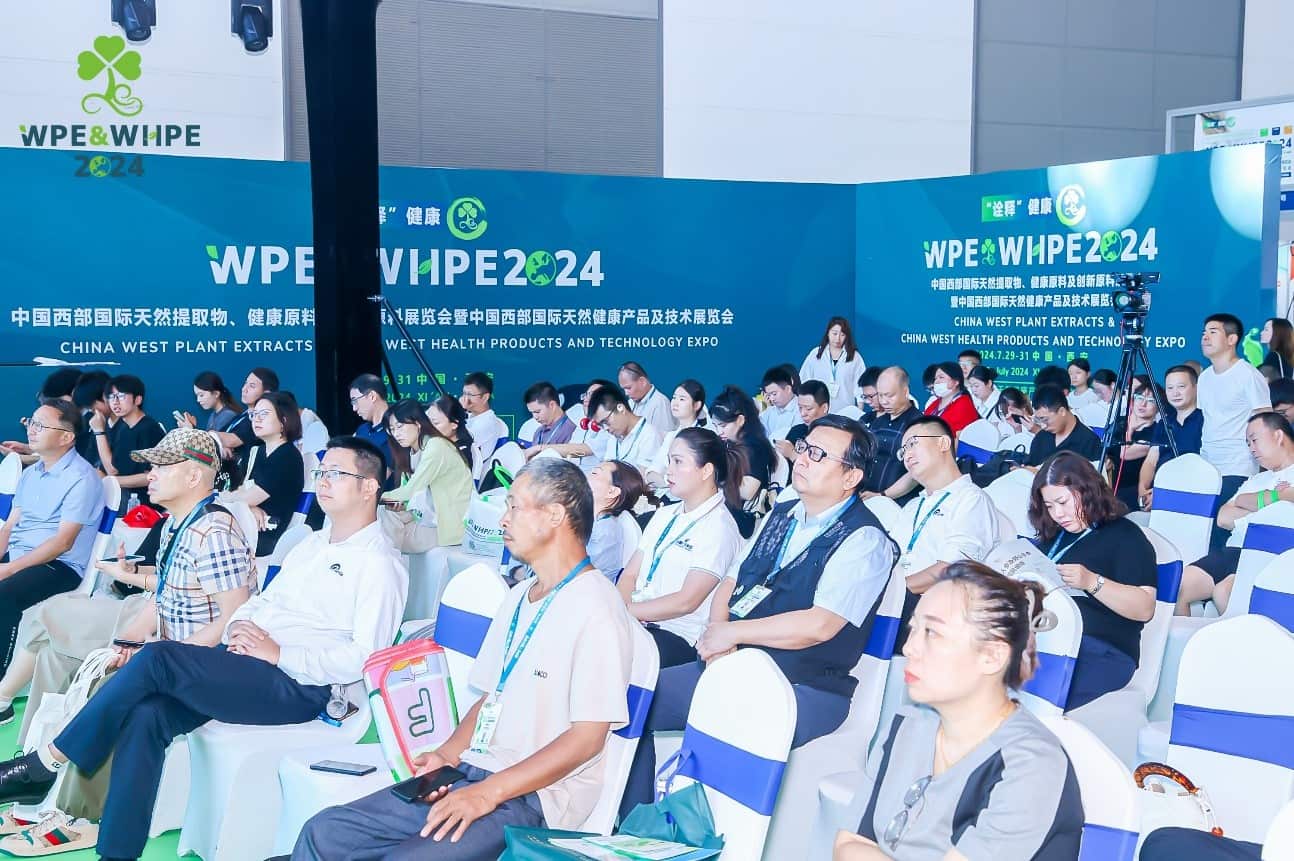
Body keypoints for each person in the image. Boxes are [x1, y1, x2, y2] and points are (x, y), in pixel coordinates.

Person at [0, 437, 407, 861]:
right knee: (147, 715)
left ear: (369, 487)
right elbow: (260, 603)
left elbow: (366, 658)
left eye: (336, 474)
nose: (323, 481)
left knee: (157, 658)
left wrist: (279, 653)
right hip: (251, 665)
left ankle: (45, 764)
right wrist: (243, 624)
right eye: (321, 472)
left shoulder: (381, 563)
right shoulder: (313, 545)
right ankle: (116, 854)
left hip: (303, 686)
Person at [288, 458, 631, 861]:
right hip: (473, 772)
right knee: (326, 832)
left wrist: (488, 792)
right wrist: (447, 755)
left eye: (515, 507)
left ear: (555, 515)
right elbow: (490, 697)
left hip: (537, 797)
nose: (503, 519)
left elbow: (587, 738)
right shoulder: (520, 597)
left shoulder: (597, 607)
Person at [620, 415, 896, 819]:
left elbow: (820, 625)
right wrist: (719, 633)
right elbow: (731, 582)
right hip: (733, 663)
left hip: (803, 685)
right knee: (629, 700)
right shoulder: (781, 514)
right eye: (804, 448)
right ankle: (639, 827)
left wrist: (732, 633)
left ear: (851, 476)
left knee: (732, 715)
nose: (803, 458)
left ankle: (707, 835)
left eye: (819, 455)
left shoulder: (865, 540)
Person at [0, 430, 257, 846]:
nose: (150, 475)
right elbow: (166, 594)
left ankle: (79, 816)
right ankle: (34, 792)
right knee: (60, 658)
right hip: (172, 655)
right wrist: (126, 640)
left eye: (161, 467)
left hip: (202, 664)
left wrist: (159, 656)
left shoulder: (215, 531)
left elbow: (234, 619)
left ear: (194, 476)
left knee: (110, 685)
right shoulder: (179, 524)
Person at [834, 562, 1082, 861]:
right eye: (913, 628)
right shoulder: (907, 724)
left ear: (992, 656)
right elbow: (848, 844)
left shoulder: (1031, 763)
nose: (910, 647)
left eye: (932, 633)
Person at [1029, 452, 1157, 708]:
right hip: (1046, 639)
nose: (1058, 514)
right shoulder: (1052, 537)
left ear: (1086, 491)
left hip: (1102, 650)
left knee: (1032, 693)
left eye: (1063, 502)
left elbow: (1145, 608)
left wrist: (1091, 582)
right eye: (1050, 506)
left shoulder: (1125, 536)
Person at [618, 428, 742, 668]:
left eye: (678, 461)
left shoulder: (719, 528)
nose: (669, 471)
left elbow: (686, 602)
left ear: (706, 470)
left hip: (677, 634)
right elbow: (630, 574)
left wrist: (626, 611)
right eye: (669, 461)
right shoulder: (664, 514)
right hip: (635, 619)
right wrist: (621, 611)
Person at [0, 401, 104, 676]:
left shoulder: (82, 478)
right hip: (21, 555)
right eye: (31, 422)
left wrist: (8, 569)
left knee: (3, 595)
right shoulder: (31, 473)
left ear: (66, 437)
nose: (31, 429)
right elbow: (9, 527)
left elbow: (62, 543)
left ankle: (2, 682)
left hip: (59, 565)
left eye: (40, 425)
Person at [892, 417, 1001, 639]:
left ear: (943, 443)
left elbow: (952, 569)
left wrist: (889, 592)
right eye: (903, 451)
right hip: (897, 606)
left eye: (913, 444)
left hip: (935, 612)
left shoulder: (971, 500)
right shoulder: (912, 506)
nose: (907, 455)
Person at [1176, 413, 1294, 615]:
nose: (1251, 448)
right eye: (1248, 443)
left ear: (1278, 436)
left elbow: (1287, 500)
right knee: (1180, 587)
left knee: (1224, 593)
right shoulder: (1255, 480)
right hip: (1233, 551)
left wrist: (1248, 503)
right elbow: (1223, 518)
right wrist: (1269, 500)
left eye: (1254, 440)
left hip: (1270, 554)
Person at [1198, 314, 1272, 524]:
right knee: (1202, 526)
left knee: (1221, 525)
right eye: (1204, 333)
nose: (1205, 337)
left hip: (1238, 466)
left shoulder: (1248, 375)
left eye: (1213, 332)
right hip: (1207, 465)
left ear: (1232, 339)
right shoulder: (1204, 377)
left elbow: (1265, 420)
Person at [381, 399, 474, 547]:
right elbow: (411, 496)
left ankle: (386, 558)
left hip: (448, 527)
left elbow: (411, 490)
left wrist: (373, 498)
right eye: (392, 429)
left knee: (385, 530)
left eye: (400, 426)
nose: (396, 434)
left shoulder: (436, 446)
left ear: (418, 423)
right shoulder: (412, 451)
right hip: (427, 517)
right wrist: (399, 504)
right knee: (385, 515)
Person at [224, 391, 305, 557]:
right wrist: (249, 507)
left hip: (264, 535)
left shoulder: (287, 456)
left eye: (264, 414)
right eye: (254, 414)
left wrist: (245, 502)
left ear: (284, 421)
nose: (256, 419)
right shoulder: (256, 452)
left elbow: (244, 497)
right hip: (244, 525)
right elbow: (235, 492)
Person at [91, 375, 166, 510]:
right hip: (124, 500)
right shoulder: (123, 426)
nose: (115, 402)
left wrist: (99, 432)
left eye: (121, 396)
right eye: (111, 397)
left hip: (145, 505)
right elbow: (113, 468)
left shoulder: (149, 429)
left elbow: (151, 475)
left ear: (137, 400)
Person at [1139, 365, 1203, 508]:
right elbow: (1151, 460)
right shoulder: (1164, 423)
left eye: (1181, 386)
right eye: (1170, 388)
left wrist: (1164, 494)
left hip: (1188, 496)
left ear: (1196, 388)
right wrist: (1142, 489)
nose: (1175, 393)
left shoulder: (1205, 421)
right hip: (1156, 492)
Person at [583, 460, 652, 580]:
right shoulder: (590, 520)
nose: (585, 475)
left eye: (594, 473)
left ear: (612, 492)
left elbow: (582, 574)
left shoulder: (606, 531)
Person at [212, 367, 279, 488]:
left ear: (266, 393)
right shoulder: (242, 415)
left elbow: (230, 440)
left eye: (252, 386)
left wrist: (218, 440)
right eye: (245, 383)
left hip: (241, 483)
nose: (244, 389)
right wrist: (221, 444)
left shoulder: (258, 421)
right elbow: (221, 438)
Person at [710, 385, 776, 501]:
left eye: (723, 425)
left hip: (745, 509)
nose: (719, 431)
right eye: (715, 426)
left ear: (740, 420)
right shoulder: (726, 443)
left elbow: (747, 492)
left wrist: (716, 476)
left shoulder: (756, 448)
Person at [1107, 375, 1161, 510]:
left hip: (1131, 489)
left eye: (1150, 400)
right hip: (1107, 484)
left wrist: (1130, 429)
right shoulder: (1120, 421)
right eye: (1139, 398)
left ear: (1159, 407)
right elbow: (1105, 447)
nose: (1143, 404)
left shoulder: (1155, 432)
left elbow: (1125, 453)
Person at [644, 380, 706, 488]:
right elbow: (652, 472)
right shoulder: (671, 436)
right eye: (674, 398)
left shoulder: (703, 437)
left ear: (696, 405)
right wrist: (666, 483)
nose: (675, 403)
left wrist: (666, 481)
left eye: (682, 399)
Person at [1023, 385, 1102, 469]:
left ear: (1062, 411)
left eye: (1045, 419)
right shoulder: (1041, 438)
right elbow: (1030, 467)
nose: (1043, 426)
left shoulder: (1089, 441)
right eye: (1039, 420)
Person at [800, 316, 867, 412]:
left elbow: (860, 386)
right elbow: (804, 380)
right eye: (834, 333)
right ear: (828, 333)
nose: (837, 338)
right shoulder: (816, 354)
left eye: (842, 335)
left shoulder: (855, 357)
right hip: (819, 411)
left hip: (846, 411)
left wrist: (859, 411)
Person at [589, 386, 663, 473]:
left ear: (621, 408)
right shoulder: (614, 436)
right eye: (600, 425)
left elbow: (644, 478)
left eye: (605, 421)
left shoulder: (649, 435)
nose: (605, 428)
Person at [460, 371, 509, 483]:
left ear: (485, 397)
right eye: (464, 394)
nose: (465, 399)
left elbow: (461, 442)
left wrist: (460, 411)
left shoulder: (488, 423)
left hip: (469, 478)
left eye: (470, 395)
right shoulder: (470, 416)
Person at [776, 380, 832, 462]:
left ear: (824, 408)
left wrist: (792, 454)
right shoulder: (796, 431)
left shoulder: (836, 436)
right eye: (800, 408)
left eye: (808, 409)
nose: (802, 414)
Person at [922, 361, 978, 435]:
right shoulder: (935, 403)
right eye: (935, 378)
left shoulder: (964, 404)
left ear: (956, 382)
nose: (936, 381)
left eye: (941, 377)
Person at [520, 381, 575, 456]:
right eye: (532, 413)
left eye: (537, 412)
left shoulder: (570, 429)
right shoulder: (538, 432)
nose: (535, 417)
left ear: (552, 405)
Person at [618, 361, 674, 435]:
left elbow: (665, 438)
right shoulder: (630, 402)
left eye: (628, 388)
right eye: (623, 389)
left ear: (642, 382)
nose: (626, 393)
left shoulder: (660, 403)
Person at [71, 371, 111, 470]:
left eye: (92, 406)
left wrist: (99, 432)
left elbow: (112, 470)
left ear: (105, 397)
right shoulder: (95, 423)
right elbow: (88, 462)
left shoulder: (127, 427)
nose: (92, 411)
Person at [349, 373, 393, 457]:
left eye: (355, 401)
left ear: (372, 396)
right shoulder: (361, 430)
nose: (354, 408)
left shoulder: (397, 429)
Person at [427, 395, 474, 469]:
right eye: (428, 421)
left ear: (454, 425)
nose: (429, 427)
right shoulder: (436, 444)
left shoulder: (462, 453)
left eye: (436, 423)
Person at [760, 365, 800, 441]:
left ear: (788, 389)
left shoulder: (802, 409)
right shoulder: (768, 413)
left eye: (774, 394)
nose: (771, 399)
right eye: (769, 395)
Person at [966, 365, 1004, 432]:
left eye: (976, 386)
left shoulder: (1001, 404)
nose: (973, 390)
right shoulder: (974, 400)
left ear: (989, 383)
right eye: (971, 386)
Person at [1258, 316, 1294, 381]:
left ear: (1277, 333)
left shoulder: (1274, 356)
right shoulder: (1287, 356)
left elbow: (1263, 381)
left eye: (1266, 329)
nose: (1261, 332)